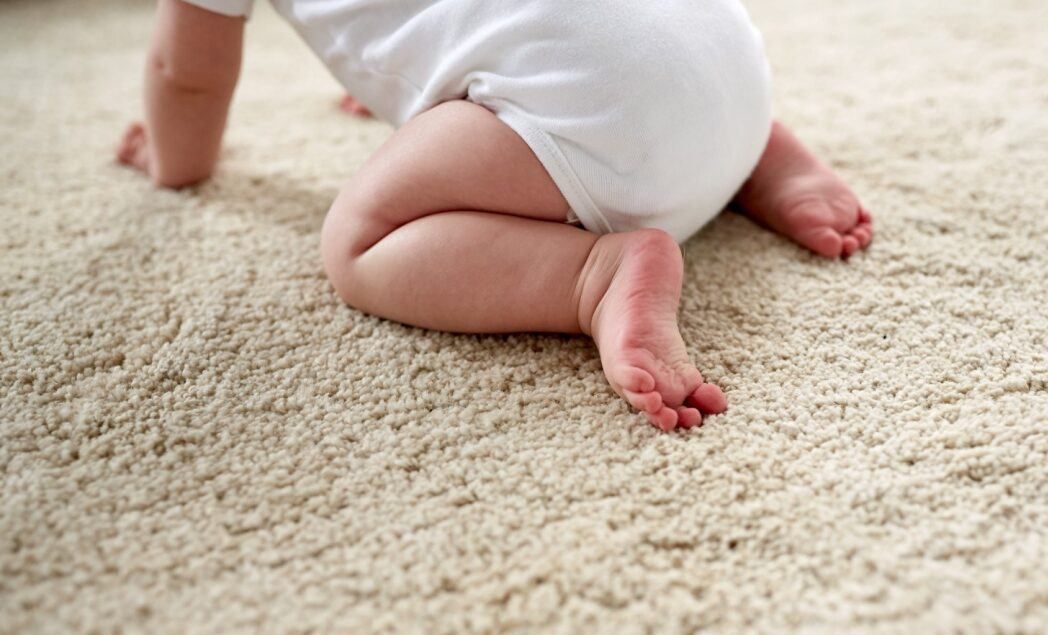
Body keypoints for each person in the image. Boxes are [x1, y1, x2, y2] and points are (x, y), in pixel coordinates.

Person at [116, 0, 874, 431]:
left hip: (598, 122)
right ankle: (763, 154)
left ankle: (594, 275)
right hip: (723, 67)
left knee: (359, 241)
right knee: (599, 51)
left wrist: (174, 161)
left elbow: (186, 77)